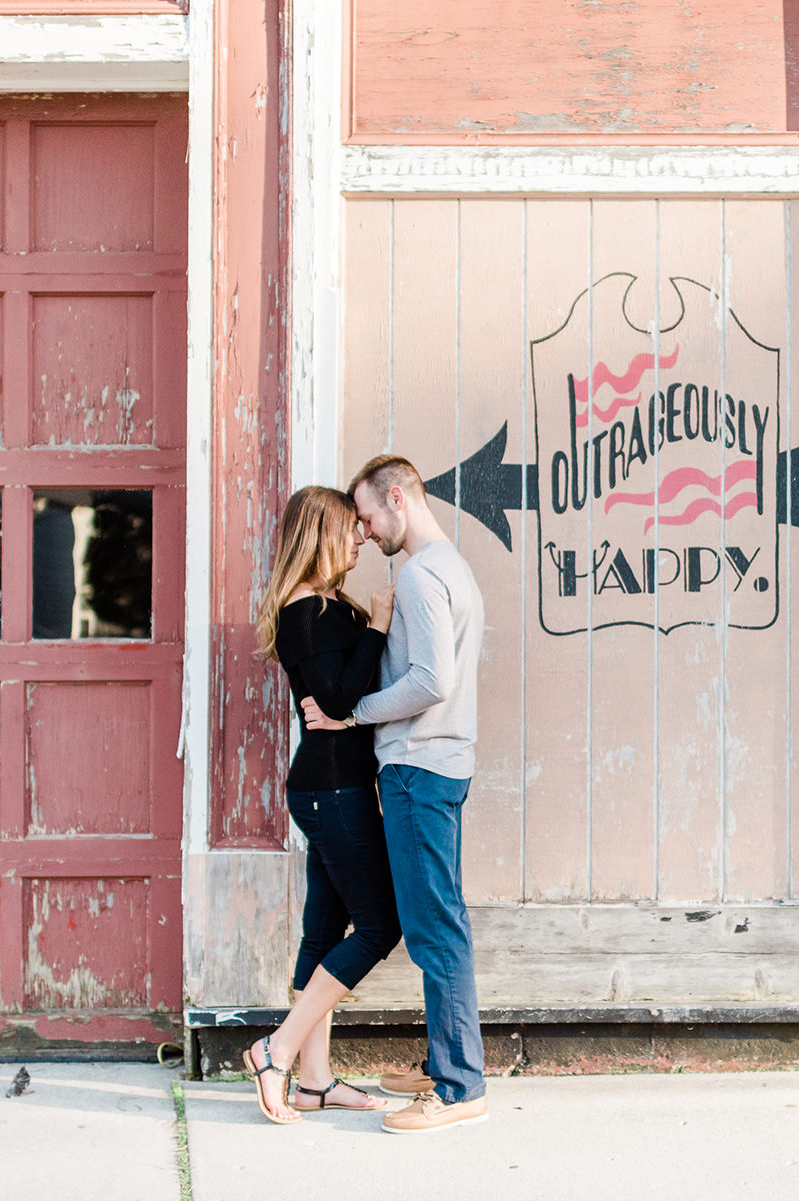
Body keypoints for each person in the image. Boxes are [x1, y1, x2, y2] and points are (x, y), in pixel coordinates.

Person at [301, 454, 487, 1134]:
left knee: (433, 927)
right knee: (441, 919)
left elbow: (431, 679)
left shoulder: (419, 576)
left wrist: (358, 712)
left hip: (417, 769)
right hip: (442, 765)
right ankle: (449, 1062)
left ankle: (459, 1086)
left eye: (370, 514)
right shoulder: (454, 568)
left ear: (399, 497)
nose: (367, 529)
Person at [244, 485, 401, 1125]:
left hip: (336, 784)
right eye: (351, 528)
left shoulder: (331, 606)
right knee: (379, 926)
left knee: (323, 932)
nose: (362, 537)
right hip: (330, 790)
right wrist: (382, 626)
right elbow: (335, 700)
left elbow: (344, 700)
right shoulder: (303, 610)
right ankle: (276, 1049)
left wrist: (352, 698)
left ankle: (314, 1081)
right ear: (322, 534)